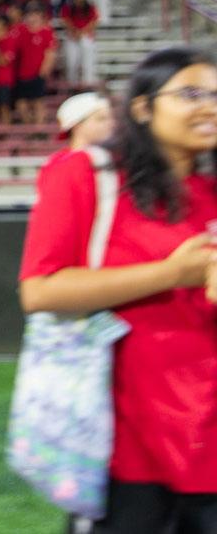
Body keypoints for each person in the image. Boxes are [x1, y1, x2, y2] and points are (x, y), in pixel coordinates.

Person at [21, 47, 217, 533]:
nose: (209, 106)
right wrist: (172, 274)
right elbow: (40, 290)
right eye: (191, 93)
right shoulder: (88, 174)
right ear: (142, 107)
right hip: (124, 440)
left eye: (216, 94)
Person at [56, 91, 117, 163]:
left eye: (111, 118)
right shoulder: (65, 163)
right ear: (77, 125)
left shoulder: (108, 157)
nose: (112, 123)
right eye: (101, 119)